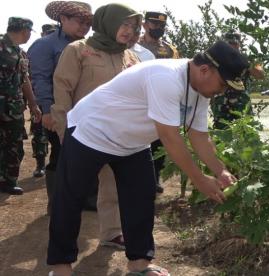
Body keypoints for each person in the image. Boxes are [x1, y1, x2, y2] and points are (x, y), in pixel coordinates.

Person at [47, 40, 248, 276]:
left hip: (131, 142)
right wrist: (200, 180)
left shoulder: (201, 92)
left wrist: (220, 170)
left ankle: (139, 265)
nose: (222, 91)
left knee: (141, 199)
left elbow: (199, 136)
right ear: (205, 70)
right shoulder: (166, 77)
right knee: (70, 199)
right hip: (92, 132)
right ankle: (61, 266)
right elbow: (170, 137)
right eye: (223, 84)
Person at [51, 3, 142, 251]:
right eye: (124, 24)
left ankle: (111, 233)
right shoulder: (78, 50)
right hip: (82, 134)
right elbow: (63, 92)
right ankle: (64, 247)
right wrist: (64, 132)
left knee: (112, 186)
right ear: (108, 21)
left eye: (133, 26)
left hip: (117, 134)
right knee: (74, 192)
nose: (128, 31)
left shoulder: (130, 57)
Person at [28, 0, 92, 212]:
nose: (84, 27)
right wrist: (46, 111)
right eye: (79, 21)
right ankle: (56, 203)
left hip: (85, 112)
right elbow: (40, 79)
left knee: (87, 155)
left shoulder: (90, 46)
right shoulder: (45, 45)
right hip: (60, 111)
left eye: (88, 23)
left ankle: (85, 198)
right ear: (62, 19)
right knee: (60, 154)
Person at [0, 17, 41, 195]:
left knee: (14, 146)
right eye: (30, 32)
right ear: (25, 30)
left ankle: (8, 181)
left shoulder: (20, 53)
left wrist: (33, 105)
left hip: (13, 109)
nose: (29, 35)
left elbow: (24, 81)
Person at [140, 11, 180, 194]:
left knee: (159, 144)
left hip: (162, 102)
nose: (159, 28)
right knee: (140, 141)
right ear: (145, 25)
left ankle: (154, 179)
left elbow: (177, 73)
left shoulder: (170, 50)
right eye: (155, 25)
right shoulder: (135, 46)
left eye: (162, 26)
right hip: (141, 101)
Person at [211, 30, 265, 129]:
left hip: (242, 104)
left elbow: (260, 75)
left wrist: (246, 65)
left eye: (235, 43)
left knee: (247, 134)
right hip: (221, 105)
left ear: (239, 44)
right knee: (221, 136)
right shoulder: (215, 58)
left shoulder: (248, 58)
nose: (232, 46)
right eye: (229, 43)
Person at [30, 23, 58, 178]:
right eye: (48, 33)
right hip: (39, 100)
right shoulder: (38, 49)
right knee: (39, 133)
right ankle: (40, 165)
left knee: (57, 141)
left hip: (57, 101)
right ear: (42, 33)